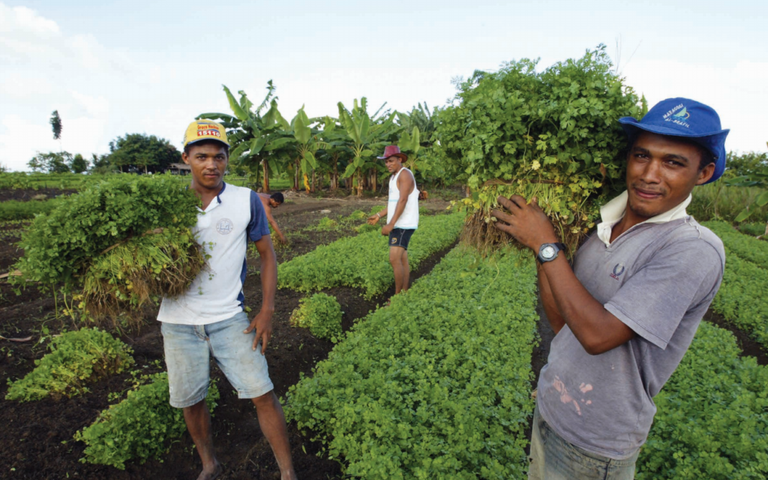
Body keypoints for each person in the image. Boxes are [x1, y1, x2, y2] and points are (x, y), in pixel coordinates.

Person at [491, 98, 729, 479]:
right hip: (550, 410)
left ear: (704, 173)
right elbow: (562, 325)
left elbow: (597, 336)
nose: (649, 174)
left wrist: (546, 245)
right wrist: (548, 251)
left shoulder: (692, 248)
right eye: (641, 155)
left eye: (673, 162)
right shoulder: (600, 228)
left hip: (594, 446)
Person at [157, 119, 297, 480]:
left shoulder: (245, 199)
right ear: (186, 157)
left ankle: (287, 473)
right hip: (177, 321)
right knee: (191, 400)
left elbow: (268, 255)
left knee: (262, 392)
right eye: (201, 156)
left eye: (219, 157)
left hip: (230, 318)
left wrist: (267, 310)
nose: (211, 164)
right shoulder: (168, 204)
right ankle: (210, 464)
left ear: (227, 160)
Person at [367, 145, 419, 296]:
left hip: (403, 224)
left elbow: (402, 200)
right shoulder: (394, 177)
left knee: (394, 259)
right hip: (399, 223)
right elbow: (394, 202)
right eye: (386, 162)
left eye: (391, 161)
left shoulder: (405, 175)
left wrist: (391, 224)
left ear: (400, 159)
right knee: (402, 260)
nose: (388, 164)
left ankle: (397, 296)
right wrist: (379, 215)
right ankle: (404, 291)